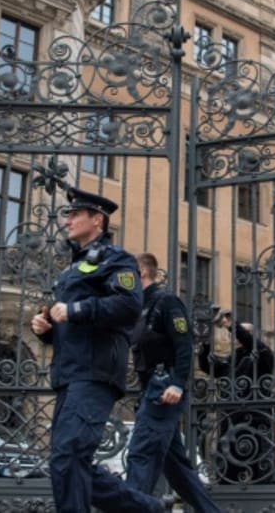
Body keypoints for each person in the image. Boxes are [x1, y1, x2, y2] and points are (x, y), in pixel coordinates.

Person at [30, 187, 171, 513]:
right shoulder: (72, 269)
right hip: (69, 372)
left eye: (74, 214)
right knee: (68, 460)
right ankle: (148, 508)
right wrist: (47, 329)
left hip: (96, 370)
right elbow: (69, 322)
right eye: (67, 214)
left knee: (69, 456)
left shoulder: (116, 259)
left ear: (97, 220)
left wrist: (76, 310)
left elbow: (128, 305)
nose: (67, 220)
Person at [125, 253, 222, 513]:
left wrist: (178, 383)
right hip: (151, 389)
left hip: (164, 388)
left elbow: (184, 344)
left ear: (141, 273)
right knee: (177, 469)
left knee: (142, 453)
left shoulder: (166, 302)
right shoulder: (138, 307)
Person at [197, 313, 275, 485]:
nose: (235, 336)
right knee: (227, 473)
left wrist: (232, 325)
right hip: (230, 422)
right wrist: (206, 344)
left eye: (241, 332)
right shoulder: (231, 360)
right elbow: (208, 366)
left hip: (255, 421)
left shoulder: (264, 355)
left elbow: (252, 344)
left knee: (260, 474)